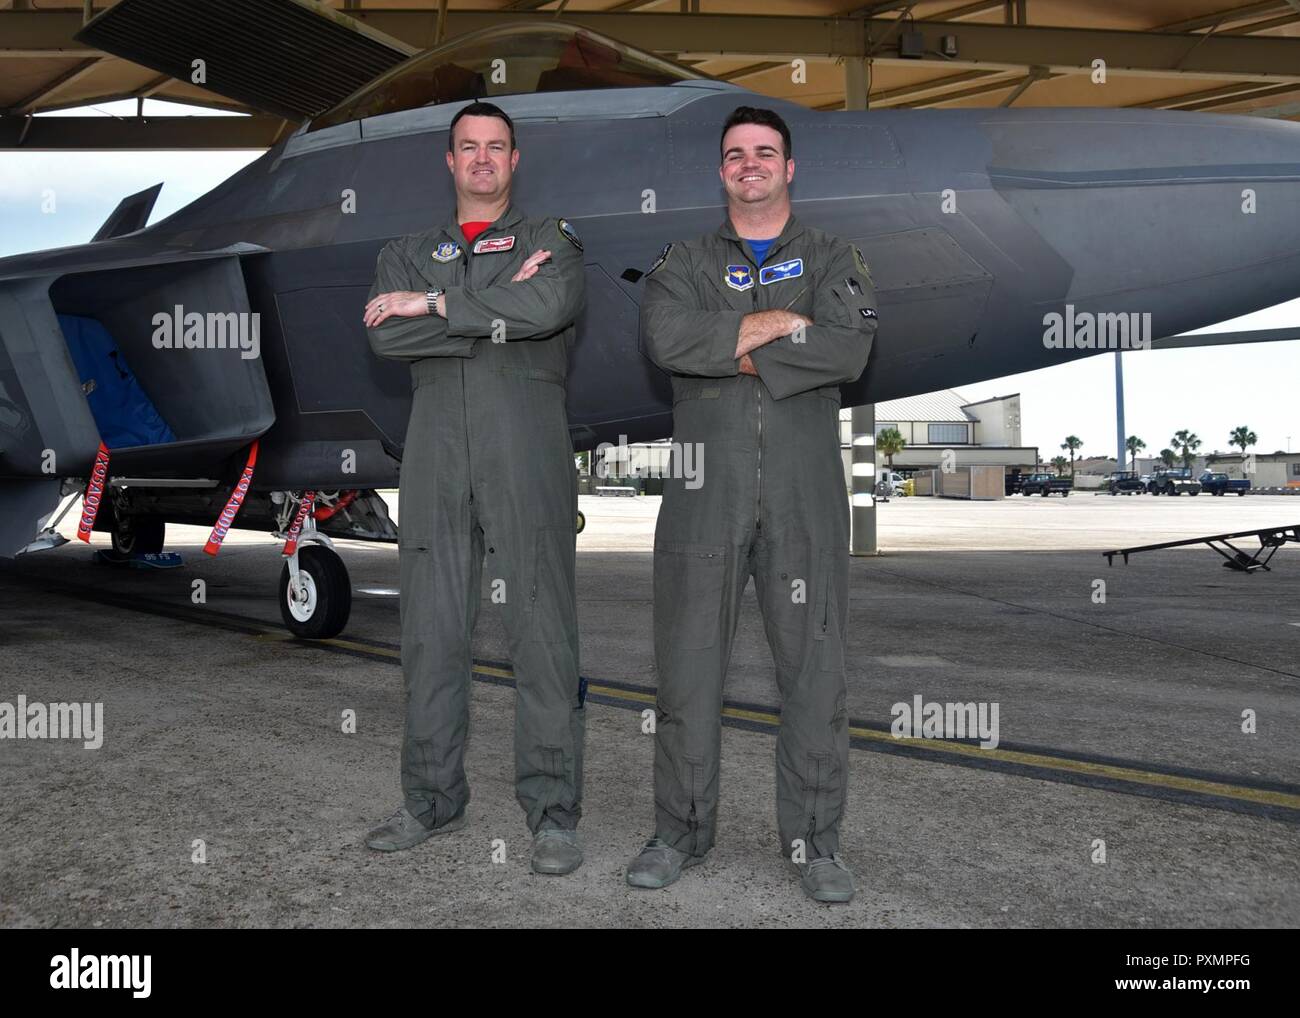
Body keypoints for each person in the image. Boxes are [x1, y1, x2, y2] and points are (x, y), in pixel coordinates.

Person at [627, 105, 878, 902]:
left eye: (765, 152)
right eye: (735, 154)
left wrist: (729, 345)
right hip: (705, 490)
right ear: (722, 171)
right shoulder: (684, 260)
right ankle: (679, 832)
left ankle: (817, 845)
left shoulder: (834, 255)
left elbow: (849, 348)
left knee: (814, 672)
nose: (750, 164)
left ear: (790, 167)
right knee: (688, 668)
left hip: (805, 494)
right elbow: (667, 340)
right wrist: (777, 327)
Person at [362, 101, 587, 875]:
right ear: (449, 161)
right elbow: (384, 336)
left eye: (497, 147)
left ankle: (553, 813)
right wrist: (500, 305)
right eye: (469, 147)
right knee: (431, 630)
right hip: (434, 451)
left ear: (514, 160)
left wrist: (433, 302)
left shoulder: (549, 241)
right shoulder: (404, 248)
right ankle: (430, 800)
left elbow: (549, 304)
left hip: (527, 446)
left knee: (543, 633)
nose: (483, 159)